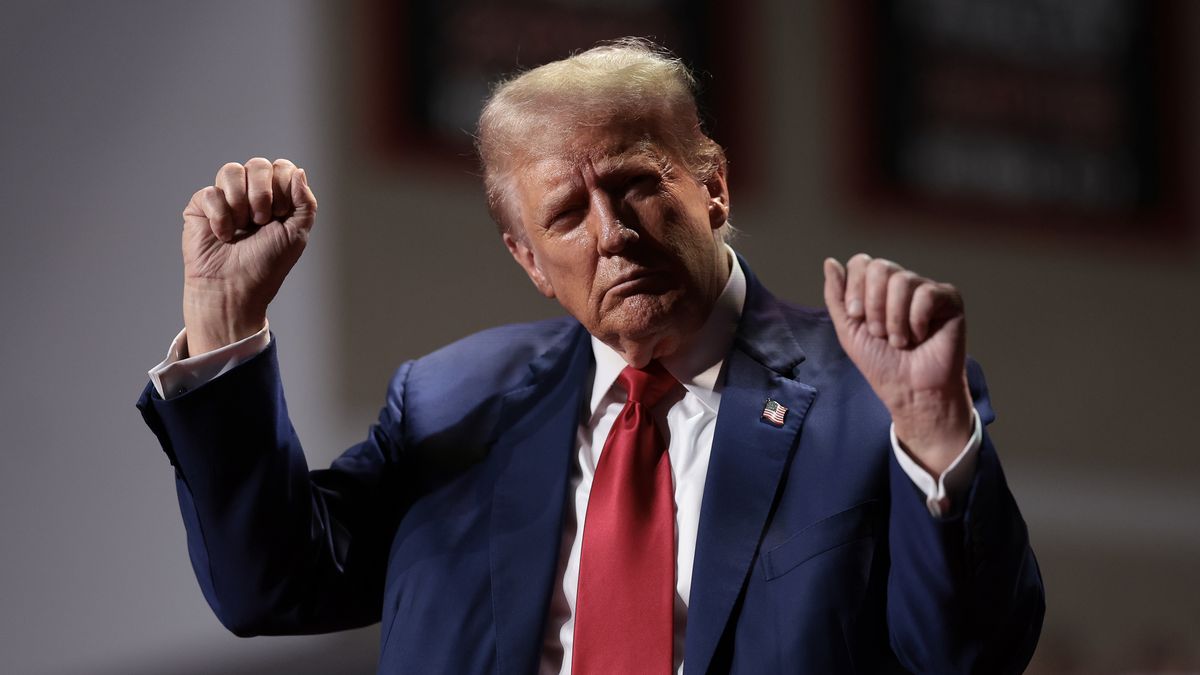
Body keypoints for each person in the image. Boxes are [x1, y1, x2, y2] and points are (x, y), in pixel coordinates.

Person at [137, 39, 1043, 674]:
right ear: (528, 259)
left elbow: (969, 653)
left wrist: (930, 433)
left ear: (713, 185)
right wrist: (226, 315)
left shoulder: (871, 398)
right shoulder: (451, 402)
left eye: (637, 184)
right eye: (567, 214)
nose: (612, 233)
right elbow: (271, 586)